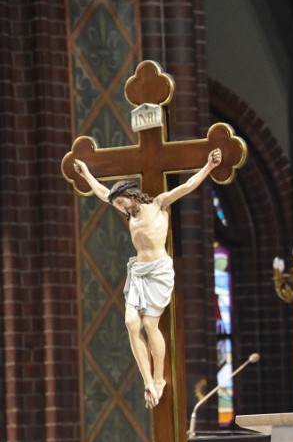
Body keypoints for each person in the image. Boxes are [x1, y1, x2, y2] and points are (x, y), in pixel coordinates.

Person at [73, 148, 222, 409]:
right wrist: (86, 173)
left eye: (121, 202)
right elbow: (101, 192)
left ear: (131, 195)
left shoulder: (158, 204)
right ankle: (148, 382)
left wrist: (208, 166)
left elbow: (187, 186)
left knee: (150, 325)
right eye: (117, 203)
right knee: (132, 323)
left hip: (159, 271)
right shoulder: (129, 215)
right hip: (138, 272)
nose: (119, 206)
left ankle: (158, 378)